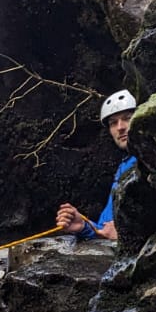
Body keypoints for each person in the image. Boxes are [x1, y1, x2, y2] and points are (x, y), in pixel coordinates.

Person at [55, 88, 138, 241]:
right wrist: (83, 226)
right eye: (113, 123)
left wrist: (126, 235)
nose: (120, 127)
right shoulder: (124, 166)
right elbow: (106, 228)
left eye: (127, 118)